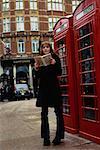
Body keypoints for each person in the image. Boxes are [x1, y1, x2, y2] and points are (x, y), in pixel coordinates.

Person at [34, 41, 64, 146]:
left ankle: (59, 136)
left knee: (58, 112)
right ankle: (45, 138)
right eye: (43, 47)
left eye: (47, 47)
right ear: (41, 49)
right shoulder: (40, 59)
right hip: (44, 89)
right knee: (44, 114)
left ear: (50, 48)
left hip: (54, 88)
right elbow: (37, 77)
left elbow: (60, 72)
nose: (45, 49)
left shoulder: (55, 58)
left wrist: (54, 64)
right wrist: (36, 69)